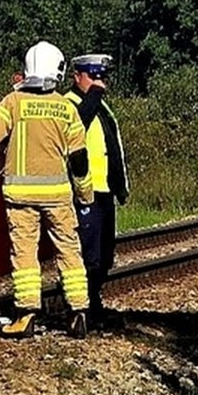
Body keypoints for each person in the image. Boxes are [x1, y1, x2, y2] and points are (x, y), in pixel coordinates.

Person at [0, 41, 94, 339]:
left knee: (25, 255)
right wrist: (85, 195)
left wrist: (1, 167)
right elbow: (79, 160)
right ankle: (78, 313)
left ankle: (26, 316)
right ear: (58, 70)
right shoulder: (67, 109)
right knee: (69, 251)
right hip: (58, 197)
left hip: (20, 197)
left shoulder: (13, 103)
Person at [65, 53, 130, 328]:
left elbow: (112, 149)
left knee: (104, 255)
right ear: (77, 76)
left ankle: (95, 302)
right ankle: (83, 308)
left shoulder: (103, 107)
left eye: (103, 77)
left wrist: (121, 186)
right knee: (88, 255)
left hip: (105, 191)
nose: (99, 83)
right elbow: (77, 128)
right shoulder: (69, 104)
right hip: (85, 192)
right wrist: (92, 96)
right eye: (93, 76)